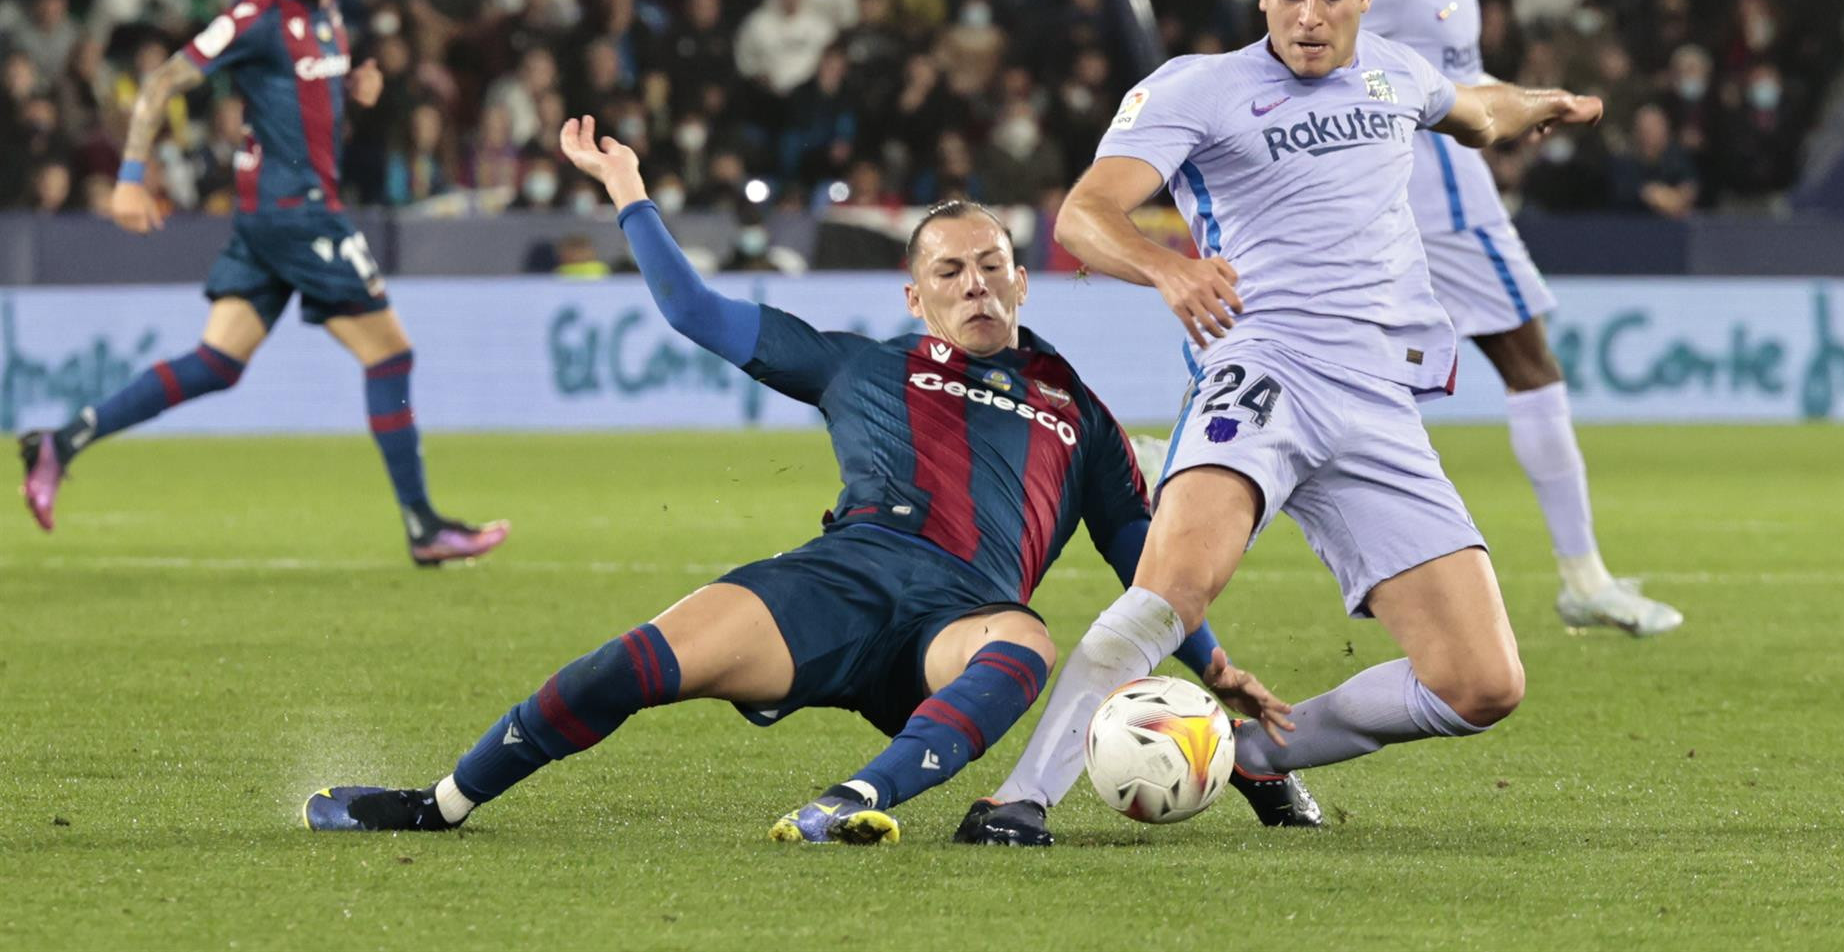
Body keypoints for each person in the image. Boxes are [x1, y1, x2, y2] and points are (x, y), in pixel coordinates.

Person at [303, 116, 1313, 844]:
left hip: (957, 623)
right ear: (916, 295)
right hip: (836, 584)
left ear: (1023, 277)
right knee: (631, 667)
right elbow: (697, 312)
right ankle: (439, 804)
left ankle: (850, 803)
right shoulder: (857, 362)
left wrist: (1214, 662)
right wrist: (630, 196)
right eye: (952, 272)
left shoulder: (1075, 407)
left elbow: (1144, 557)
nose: (976, 285)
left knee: (1025, 646)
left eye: (993, 265)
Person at [959, 0, 1603, 846]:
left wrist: (1539, 101)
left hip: (1376, 399)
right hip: (1262, 371)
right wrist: (1167, 271)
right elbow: (1084, 215)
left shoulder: (1396, 73)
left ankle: (1261, 752)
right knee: (1176, 587)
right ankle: (1021, 799)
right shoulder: (1201, 88)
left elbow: (1475, 111)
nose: (1309, 16)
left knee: (1481, 682)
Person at [17, 0, 507, 567]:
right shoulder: (257, 12)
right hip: (298, 213)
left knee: (217, 363)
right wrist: (131, 176)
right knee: (390, 355)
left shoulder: (329, 12)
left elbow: (302, 102)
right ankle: (424, 524)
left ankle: (61, 441)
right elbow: (160, 81)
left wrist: (355, 91)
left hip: (271, 218)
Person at [1369, 0, 1680, 635]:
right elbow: (1358, 59)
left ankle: (1368, 558)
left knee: (1366, 373)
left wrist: (1525, 102)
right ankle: (1583, 576)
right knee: (1532, 365)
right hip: (1442, 193)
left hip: (1413, 191)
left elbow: (1452, 75)